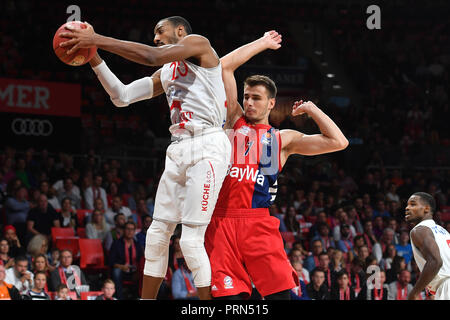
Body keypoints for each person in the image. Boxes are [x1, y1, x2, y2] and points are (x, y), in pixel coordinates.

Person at [60, 16, 232, 300]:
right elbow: (121, 96)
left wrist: (97, 38)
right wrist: (93, 56)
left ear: (179, 31)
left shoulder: (199, 44)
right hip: (178, 146)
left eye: (159, 31)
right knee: (156, 235)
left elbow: (152, 55)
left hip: (208, 144)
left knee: (190, 241)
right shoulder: (166, 73)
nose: (155, 38)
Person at [205, 26, 348, 300]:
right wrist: (261, 43)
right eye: (246, 96)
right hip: (221, 221)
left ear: (271, 104)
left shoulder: (282, 139)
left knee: (281, 296)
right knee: (230, 301)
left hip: (258, 224)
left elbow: (339, 142)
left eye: (255, 98)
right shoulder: (233, 121)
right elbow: (223, 66)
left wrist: (312, 109)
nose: (248, 102)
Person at [405, 192, 450, 300]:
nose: (407, 208)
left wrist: (414, 293)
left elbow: (435, 261)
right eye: (407, 205)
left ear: (426, 209)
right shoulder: (443, 231)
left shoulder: (419, 230)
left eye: (413, 204)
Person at [109, 221, 143, 299]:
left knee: (144, 271)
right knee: (116, 271)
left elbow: (141, 260)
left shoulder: (137, 245)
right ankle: (119, 297)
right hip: (121, 271)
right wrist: (121, 266)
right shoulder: (116, 243)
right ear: (124, 230)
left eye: (132, 229)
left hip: (134, 272)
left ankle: (140, 297)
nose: (130, 231)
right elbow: (111, 261)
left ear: (134, 231)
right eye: (128, 229)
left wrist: (138, 271)